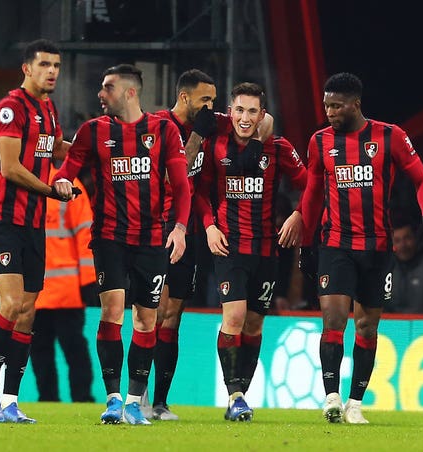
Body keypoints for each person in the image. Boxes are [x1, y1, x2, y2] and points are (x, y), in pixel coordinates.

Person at [52, 64, 191, 425]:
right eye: (101, 86)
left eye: (107, 87)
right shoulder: (91, 132)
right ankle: (113, 400)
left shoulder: (163, 130)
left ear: (130, 92)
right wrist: (63, 182)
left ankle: (134, 402)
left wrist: (179, 228)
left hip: (152, 240)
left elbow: (181, 186)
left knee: (146, 320)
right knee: (111, 312)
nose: (100, 93)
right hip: (110, 238)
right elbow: (66, 169)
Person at [294, 73, 423, 424]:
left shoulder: (390, 136)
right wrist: (307, 242)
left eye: (336, 105)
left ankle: (356, 404)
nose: (329, 112)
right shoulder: (319, 141)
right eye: (326, 105)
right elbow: (312, 194)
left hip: (378, 247)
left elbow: (422, 180)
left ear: (356, 104)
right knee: (334, 318)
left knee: (367, 327)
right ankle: (331, 398)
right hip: (335, 243)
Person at [143, 69, 274, 420]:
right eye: (205, 100)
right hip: (155, 228)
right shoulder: (156, 124)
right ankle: (134, 396)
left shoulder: (216, 122)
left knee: (172, 317)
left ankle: (158, 403)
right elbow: (180, 168)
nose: (211, 108)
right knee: (148, 314)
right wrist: (198, 136)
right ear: (185, 98)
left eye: (215, 102)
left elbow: (266, 118)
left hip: (187, 232)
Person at [194, 82, 306, 421]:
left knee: (255, 324)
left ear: (262, 115)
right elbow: (199, 190)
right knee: (235, 317)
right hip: (229, 245)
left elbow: (310, 184)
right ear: (230, 111)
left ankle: (240, 393)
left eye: (252, 111)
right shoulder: (216, 145)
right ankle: (235, 396)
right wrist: (210, 225)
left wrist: (299, 215)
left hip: (267, 249)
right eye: (239, 110)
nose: (245, 118)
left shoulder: (279, 147)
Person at [0, 39, 74, 424]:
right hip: (2, 219)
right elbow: (10, 168)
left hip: (33, 223)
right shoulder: (10, 108)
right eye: (45, 64)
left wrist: (94, 151)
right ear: (27, 69)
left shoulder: (49, 110)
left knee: (28, 312)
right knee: (13, 304)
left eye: (57, 65)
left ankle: (11, 400)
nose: (52, 71)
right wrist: (53, 190)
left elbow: (57, 151)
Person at [29, 163, 97, 403]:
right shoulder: (68, 184)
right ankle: (79, 398)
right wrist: (89, 281)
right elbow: (85, 234)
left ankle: (51, 399)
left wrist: (89, 280)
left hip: (38, 291)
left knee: (47, 350)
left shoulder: (19, 181)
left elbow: (85, 234)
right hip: (58, 289)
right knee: (70, 349)